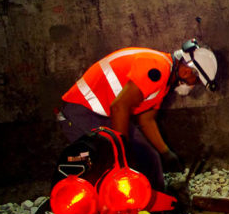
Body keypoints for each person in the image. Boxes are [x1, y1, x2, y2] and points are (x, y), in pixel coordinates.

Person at [58, 39, 218, 193]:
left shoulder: (164, 80)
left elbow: (146, 120)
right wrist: (123, 155)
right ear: (186, 71)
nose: (192, 85)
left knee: (149, 157)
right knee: (107, 168)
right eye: (194, 81)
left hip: (105, 114)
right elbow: (119, 107)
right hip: (81, 111)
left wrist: (165, 153)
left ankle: (157, 210)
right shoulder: (157, 69)